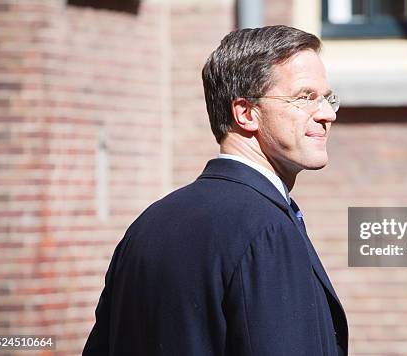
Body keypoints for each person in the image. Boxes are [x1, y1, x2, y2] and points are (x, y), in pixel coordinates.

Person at [83, 25, 348, 355]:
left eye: (327, 98)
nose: (328, 114)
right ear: (245, 112)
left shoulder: (146, 226)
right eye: (305, 98)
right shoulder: (267, 231)